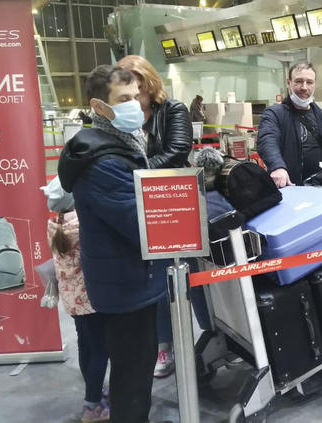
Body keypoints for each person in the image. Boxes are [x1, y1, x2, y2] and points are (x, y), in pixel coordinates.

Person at [58, 65, 166, 423]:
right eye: (124, 99)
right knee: (133, 372)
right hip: (125, 280)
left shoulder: (116, 145)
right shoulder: (101, 161)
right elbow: (141, 224)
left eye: (137, 97)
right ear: (99, 107)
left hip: (127, 277)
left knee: (132, 367)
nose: (135, 104)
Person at [117, 54, 193, 378]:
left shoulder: (173, 110)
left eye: (134, 77)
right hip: (138, 206)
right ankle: (164, 344)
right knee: (155, 279)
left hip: (175, 201)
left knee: (189, 278)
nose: (130, 84)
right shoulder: (123, 116)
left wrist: (137, 174)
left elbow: (178, 150)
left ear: (148, 79)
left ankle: (209, 338)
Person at [43, 177, 110, 423]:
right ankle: (92, 405)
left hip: (71, 300)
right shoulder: (84, 225)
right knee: (101, 349)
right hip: (91, 298)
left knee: (86, 345)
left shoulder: (55, 225)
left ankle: (93, 392)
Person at [257, 62, 322, 188]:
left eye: (309, 82)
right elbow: (267, 140)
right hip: (290, 187)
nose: (304, 87)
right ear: (288, 82)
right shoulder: (274, 114)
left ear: (315, 84)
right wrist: (277, 167)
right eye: (298, 81)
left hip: (321, 186)